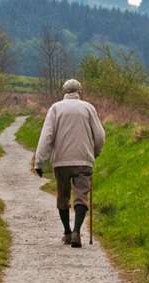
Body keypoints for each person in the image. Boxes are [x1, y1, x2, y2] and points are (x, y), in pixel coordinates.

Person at [32, 79, 105, 247]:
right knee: (81, 196)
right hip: (83, 160)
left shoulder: (56, 108)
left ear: (64, 91)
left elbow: (47, 136)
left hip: (61, 162)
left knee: (63, 196)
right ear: (80, 91)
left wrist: (39, 162)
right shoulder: (88, 108)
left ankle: (66, 232)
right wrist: (95, 153)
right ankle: (77, 232)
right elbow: (100, 136)